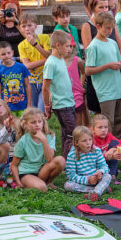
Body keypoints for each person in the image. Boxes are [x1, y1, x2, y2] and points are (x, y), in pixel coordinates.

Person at [82, 0, 121, 117]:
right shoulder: (88, 27)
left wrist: (120, 61)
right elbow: (90, 53)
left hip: (114, 78)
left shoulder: (111, 26)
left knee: (119, 117)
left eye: (106, 7)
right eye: (101, 7)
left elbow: (119, 46)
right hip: (101, 80)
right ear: (93, 8)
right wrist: (108, 65)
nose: (104, 10)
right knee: (102, 114)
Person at [86, 11, 121, 137]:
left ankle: (119, 149)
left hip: (118, 88)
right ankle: (107, 151)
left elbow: (116, 61)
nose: (110, 31)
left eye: (112, 28)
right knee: (108, 123)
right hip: (105, 90)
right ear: (98, 26)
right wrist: (108, 66)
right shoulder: (93, 47)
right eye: (107, 28)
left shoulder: (112, 43)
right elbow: (88, 70)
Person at [42, 29, 79, 157]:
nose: (70, 49)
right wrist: (47, 106)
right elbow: (45, 88)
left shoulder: (60, 60)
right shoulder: (51, 63)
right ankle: (69, 161)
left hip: (69, 102)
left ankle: (65, 159)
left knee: (66, 133)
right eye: (67, 46)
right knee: (72, 133)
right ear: (58, 45)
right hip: (62, 105)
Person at [10, 107, 65, 192]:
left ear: (43, 122)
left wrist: (43, 140)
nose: (37, 125)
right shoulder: (23, 141)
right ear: (26, 124)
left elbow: (49, 159)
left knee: (60, 160)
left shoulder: (49, 136)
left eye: (40, 121)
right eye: (33, 122)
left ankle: (48, 182)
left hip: (42, 171)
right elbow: (14, 165)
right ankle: (34, 184)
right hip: (26, 172)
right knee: (42, 188)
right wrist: (18, 182)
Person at [64, 125, 112, 201]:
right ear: (76, 142)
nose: (88, 143)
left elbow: (104, 167)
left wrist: (101, 172)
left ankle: (96, 192)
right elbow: (71, 175)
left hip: (97, 179)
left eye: (90, 140)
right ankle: (99, 189)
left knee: (108, 176)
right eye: (84, 141)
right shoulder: (72, 155)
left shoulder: (96, 151)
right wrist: (87, 180)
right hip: (82, 181)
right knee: (68, 185)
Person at [18, 13, 51, 112]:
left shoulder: (44, 38)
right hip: (31, 83)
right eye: (24, 26)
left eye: (29, 25)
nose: (27, 29)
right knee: (32, 110)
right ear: (21, 29)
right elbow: (27, 66)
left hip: (45, 80)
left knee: (41, 110)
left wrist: (35, 44)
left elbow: (49, 55)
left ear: (35, 26)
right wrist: (46, 60)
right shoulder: (21, 45)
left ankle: (42, 127)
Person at [0, 42, 32, 118]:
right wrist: (1, 107)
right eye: (3, 54)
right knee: (12, 127)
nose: (7, 56)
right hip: (8, 107)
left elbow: (27, 86)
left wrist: (29, 104)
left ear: (12, 53)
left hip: (23, 105)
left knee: (25, 126)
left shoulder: (22, 67)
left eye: (8, 53)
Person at [91, 113, 121, 180]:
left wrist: (113, 149)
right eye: (100, 127)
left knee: (115, 143)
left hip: (107, 162)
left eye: (106, 127)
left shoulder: (108, 136)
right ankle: (109, 174)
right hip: (95, 165)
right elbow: (92, 158)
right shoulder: (91, 139)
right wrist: (108, 156)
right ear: (93, 129)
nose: (103, 130)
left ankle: (112, 174)